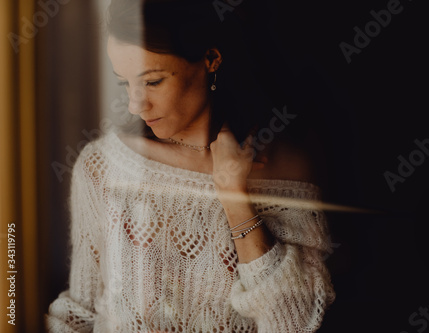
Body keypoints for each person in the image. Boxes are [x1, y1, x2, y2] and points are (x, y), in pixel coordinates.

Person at [46, 0, 335, 331]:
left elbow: (293, 324)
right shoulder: (104, 166)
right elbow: (79, 312)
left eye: (153, 81)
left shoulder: (288, 168)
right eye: (125, 82)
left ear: (211, 59)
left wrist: (234, 198)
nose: (135, 104)